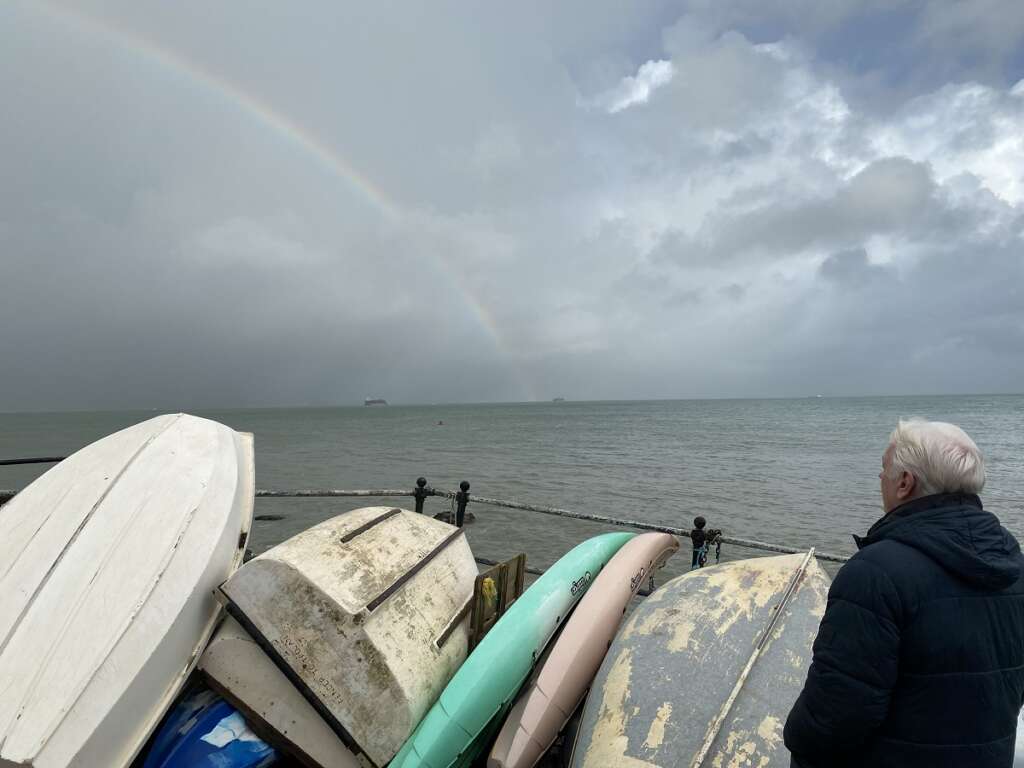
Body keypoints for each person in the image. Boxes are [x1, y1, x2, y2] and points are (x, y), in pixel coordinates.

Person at [784, 419, 1024, 768]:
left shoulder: (875, 573)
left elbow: (835, 714)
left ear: (905, 483)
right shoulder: (1015, 568)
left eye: (883, 469)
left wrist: (795, 735)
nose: (879, 479)